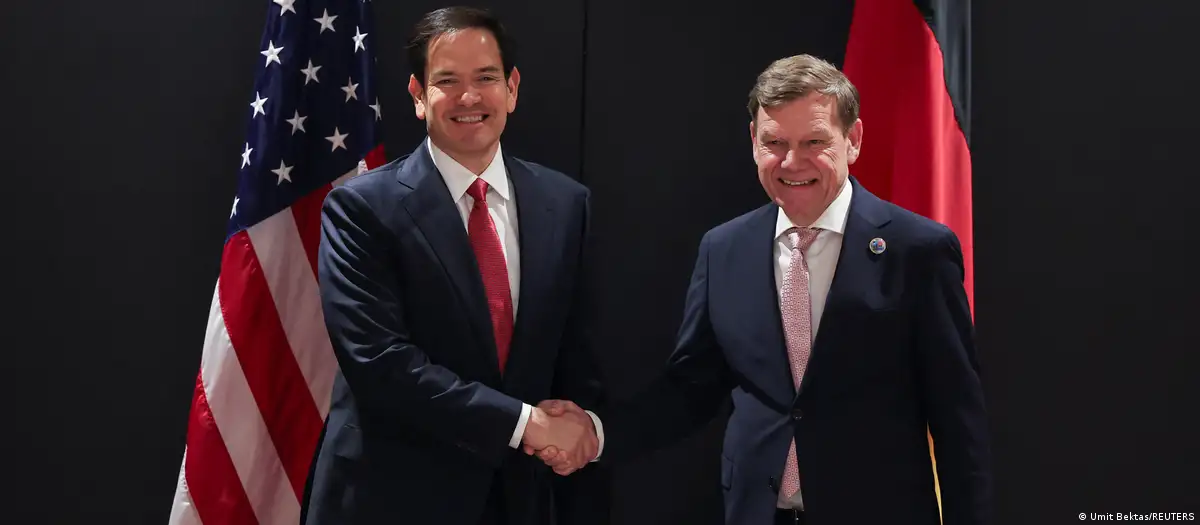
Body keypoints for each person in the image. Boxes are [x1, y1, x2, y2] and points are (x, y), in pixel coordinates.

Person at [537, 54, 992, 525]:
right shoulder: (724, 249)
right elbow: (691, 388)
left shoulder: (918, 250)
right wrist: (597, 432)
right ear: (754, 140)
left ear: (853, 139)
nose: (792, 162)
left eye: (814, 141)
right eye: (775, 143)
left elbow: (958, 417)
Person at [302, 7, 608, 525]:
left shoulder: (566, 203)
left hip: (519, 499)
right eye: (448, 81)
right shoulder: (361, 209)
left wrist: (585, 430)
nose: (470, 98)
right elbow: (380, 363)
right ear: (418, 95)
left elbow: (577, 355)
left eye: (486, 78)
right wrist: (526, 425)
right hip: (391, 499)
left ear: (512, 88)